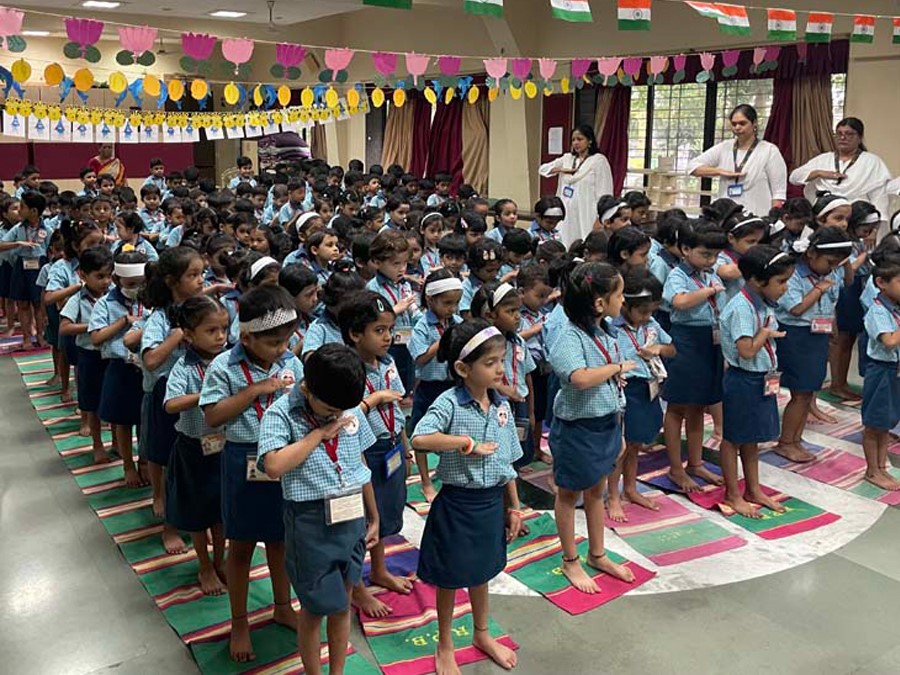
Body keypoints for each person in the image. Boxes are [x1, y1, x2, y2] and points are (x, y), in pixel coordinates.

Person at [411, 319, 524, 674]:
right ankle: (445, 644)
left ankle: (481, 633)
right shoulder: (450, 404)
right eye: (489, 363)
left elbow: (507, 462)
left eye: (501, 360)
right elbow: (420, 438)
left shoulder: (501, 406)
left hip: (491, 504)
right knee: (449, 578)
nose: (499, 369)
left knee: (481, 572)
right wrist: (465, 444)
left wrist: (515, 507)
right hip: (458, 505)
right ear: (462, 368)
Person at [257, 344, 376, 675]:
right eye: (329, 408)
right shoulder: (281, 413)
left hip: (351, 516)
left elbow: (360, 463)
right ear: (307, 387)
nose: (336, 415)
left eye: (342, 409)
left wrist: (374, 515)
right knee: (314, 609)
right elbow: (274, 465)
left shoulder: (348, 411)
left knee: (343, 604)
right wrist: (318, 434)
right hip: (310, 524)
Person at [201, 285, 304, 662]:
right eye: (274, 341)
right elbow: (211, 416)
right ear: (246, 337)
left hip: (282, 458)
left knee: (280, 540)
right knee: (241, 546)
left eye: (287, 339)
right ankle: (240, 621)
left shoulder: (291, 363)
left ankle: (281, 605)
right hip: (242, 459)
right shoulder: (223, 366)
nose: (282, 348)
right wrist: (256, 390)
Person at [548, 262, 636, 593]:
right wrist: (614, 367)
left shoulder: (606, 331)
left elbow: (613, 383)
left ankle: (597, 554)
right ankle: (570, 560)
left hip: (606, 423)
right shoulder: (568, 335)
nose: (623, 300)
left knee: (597, 490)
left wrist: (621, 429)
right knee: (570, 493)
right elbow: (580, 377)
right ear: (600, 303)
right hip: (577, 428)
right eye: (619, 294)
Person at [337, 292, 413, 617]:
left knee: (383, 512)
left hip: (391, 444)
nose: (387, 337)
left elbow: (396, 406)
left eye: (389, 329)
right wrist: (373, 399)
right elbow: (346, 415)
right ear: (355, 334)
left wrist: (405, 445)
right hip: (361, 450)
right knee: (360, 521)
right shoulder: (345, 369)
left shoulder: (388, 362)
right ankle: (356, 588)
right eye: (379, 330)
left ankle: (379, 569)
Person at [719, 245, 795, 517]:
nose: (785, 288)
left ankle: (753, 488)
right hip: (743, 379)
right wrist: (765, 334)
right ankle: (733, 493)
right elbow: (747, 350)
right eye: (781, 282)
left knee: (751, 438)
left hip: (761, 378)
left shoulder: (763, 303)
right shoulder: (741, 307)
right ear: (756, 280)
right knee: (733, 439)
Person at [141, 246, 206, 554]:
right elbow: (151, 360)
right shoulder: (159, 317)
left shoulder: (203, 307)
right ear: (171, 281)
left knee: (194, 462)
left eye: (202, 273)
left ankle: (199, 521)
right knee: (166, 458)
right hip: (167, 394)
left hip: (199, 396)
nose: (200, 281)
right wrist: (180, 334)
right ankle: (169, 523)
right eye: (192, 275)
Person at [164, 296, 230, 595]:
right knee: (197, 512)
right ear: (189, 335)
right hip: (194, 449)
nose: (220, 337)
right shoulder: (184, 366)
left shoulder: (230, 360)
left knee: (221, 509)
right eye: (211, 330)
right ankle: (204, 564)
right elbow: (170, 404)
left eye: (224, 329)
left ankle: (221, 559)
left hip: (225, 448)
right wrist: (205, 395)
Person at [774, 227, 852, 463]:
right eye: (829, 261)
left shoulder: (832, 273)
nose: (833, 267)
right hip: (797, 336)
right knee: (800, 392)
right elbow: (796, 308)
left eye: (838, 263)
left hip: (819, 334)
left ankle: (796, 439)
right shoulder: (793, 274)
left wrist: (833, 329)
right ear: (811, 254)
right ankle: (786, 442)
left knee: (809, 391)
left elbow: (833, 302)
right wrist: (818, 290)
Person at [661, 222, 728, 492]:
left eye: (714, 256)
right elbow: (679, 302)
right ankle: (676, 469)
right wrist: (709, 291)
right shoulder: (678, 274)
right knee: (678, 406)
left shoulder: (710, 273)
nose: (711, 261)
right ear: (685, 249)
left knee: (700, 406)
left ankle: (696, 462)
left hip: (710, 342)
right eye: (705, 254)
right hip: (686, 341)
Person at [607, 269, 675, 522]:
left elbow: (672, 349)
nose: (648, 316)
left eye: (652, 311)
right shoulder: (611, 327)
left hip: (649, 388)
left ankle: (631, 488)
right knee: (620, 447)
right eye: (643, 311)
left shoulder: (651, 324)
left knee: (636, 444)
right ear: (626, 304)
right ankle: (613, 494)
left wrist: (659, 348)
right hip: (625, 390)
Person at [90, 248, 149, 490]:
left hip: (148, 368)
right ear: (116, 280)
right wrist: (123, 322)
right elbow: (96, 338)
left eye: (141, 283)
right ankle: (127, 465)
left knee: (145, 420)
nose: (136, 288)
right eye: (131, 283)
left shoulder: (151, 300)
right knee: (123, 422)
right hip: (120, 367)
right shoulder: (106, 303)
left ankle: (144, 460)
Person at [409, 269, 463, 500]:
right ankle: (425, 480)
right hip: (430, 387)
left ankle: (449, 473)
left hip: (453, 385)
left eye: (456, 303)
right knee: (422, 435)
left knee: (451, 432)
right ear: (430, 300)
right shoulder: (423, 326)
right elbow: (419, 357)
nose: (452, 308)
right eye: (447, 303)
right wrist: (442, 341)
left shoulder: (457, 322)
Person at [472, 282, 537, 468]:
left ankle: (514, 475)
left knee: (518, 447)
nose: (517, 317)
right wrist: (501, 387)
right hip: (495, 404)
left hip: (519, 404)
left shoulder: (518, 341)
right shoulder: (482, 346)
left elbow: (527, 376)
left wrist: (531, 412)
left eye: (518, 310)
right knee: (496, 452)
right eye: (510, 311)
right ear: (489, 315)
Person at [790, 117, 892, 234]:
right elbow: (794, 177)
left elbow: (880, 200)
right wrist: (819, 173)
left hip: (858, 221)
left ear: (859, 138)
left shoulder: (872, 162)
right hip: (824, 220)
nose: (843, 138)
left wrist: (873, 230)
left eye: (849, 134)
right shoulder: (823, 159)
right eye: (839, 134)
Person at [59, 246, 113, 464]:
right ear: (82, 275)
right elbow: (64, 328)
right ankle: (97, 444)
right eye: (99, 276)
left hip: (112, 356)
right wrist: (92, 326)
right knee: (91, 402)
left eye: (109, 276)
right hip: (89, 356)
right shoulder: (77, 299)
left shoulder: (113, 296)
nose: (105, 281)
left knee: (112, 400)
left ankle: (118, 444)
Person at [687, 105, 786, 218]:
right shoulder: (724, 147)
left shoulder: (769, 150)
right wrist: (720, 171)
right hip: (726, 218)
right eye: (734, 124)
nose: (737, 127)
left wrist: (773, 220)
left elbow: (779, 192)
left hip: (757, 218)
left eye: (742, 123)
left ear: (754, 123)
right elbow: (692, 167)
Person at [861, 256, 900, 491]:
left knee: (886, 422)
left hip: (894, 371)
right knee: (874, 423)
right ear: (881, 283)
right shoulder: (877, 311)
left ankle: (881, 466)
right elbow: (889, 341)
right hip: (880, 371)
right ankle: (871, 470)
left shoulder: (894, 308)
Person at [539, 125, 613, 247]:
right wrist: (562, 169)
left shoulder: (599, 161)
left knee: (584, 244)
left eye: (580, 139)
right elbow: (543, 169)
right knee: (565, 242)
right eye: (573, 140)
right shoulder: (567, 158)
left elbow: (605, 193)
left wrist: (600, 219)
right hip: (567, 212)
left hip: (587, 212)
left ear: (589, 141)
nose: (576, 143)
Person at [366, 231, 421, 393]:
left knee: (408, 374)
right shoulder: (373, 288)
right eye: (396, 264)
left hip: (407, 339)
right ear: (377, 262)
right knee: (391, 377)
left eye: (405, 263)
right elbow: (374, 319)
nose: (402, 268)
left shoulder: (404, 284)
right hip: (387, 342)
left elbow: (413, 309)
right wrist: (396, 310)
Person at [0, 191, 53, 349]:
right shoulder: (17, 228)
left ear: (34, 211)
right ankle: (26, 338)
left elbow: (53, 250)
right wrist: (18, 244)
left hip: (40, 267)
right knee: (23, 305)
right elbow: (1, 245)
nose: (19, 210)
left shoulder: (48, 229)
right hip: (21, 267)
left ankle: (40, 336)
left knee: (38, 304)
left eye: (22, 207)